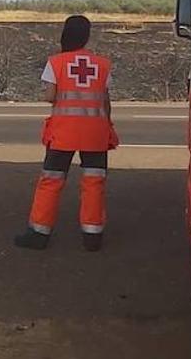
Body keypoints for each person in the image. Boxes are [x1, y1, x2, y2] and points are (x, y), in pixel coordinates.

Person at [14, 15, 119, 252]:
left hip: (64, 133)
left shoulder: (56, 62)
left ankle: (39, 233)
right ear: (87, 35)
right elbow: (106, 101)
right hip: (96, 133)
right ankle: (93, 236)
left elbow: (50, 96)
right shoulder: (103, 64)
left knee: (51, 180)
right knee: (94, 182)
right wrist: (108, 126)